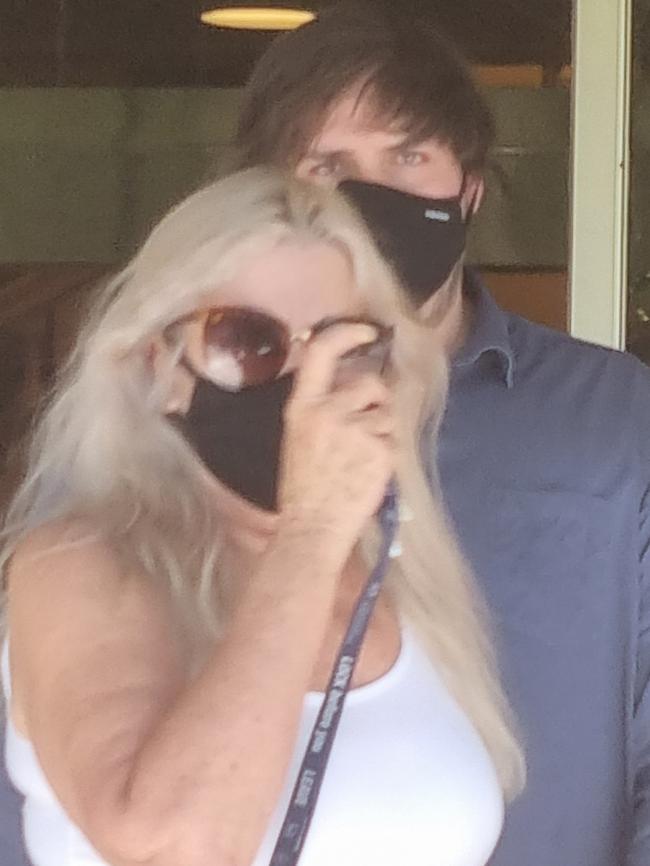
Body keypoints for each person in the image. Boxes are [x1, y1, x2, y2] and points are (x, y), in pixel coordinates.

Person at [0, 167, 523, 866]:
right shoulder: (81, 565)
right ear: (161, 364)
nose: (303, 382)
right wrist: (306, 538)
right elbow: (177, 846)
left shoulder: (398, 571)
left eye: (342, 342)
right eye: (246, 341)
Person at [232, 5, 650, 866]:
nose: (369, 195)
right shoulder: (186, 419)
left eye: (408, 156)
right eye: (328, 165)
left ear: (469, 188)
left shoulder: (614, 419)